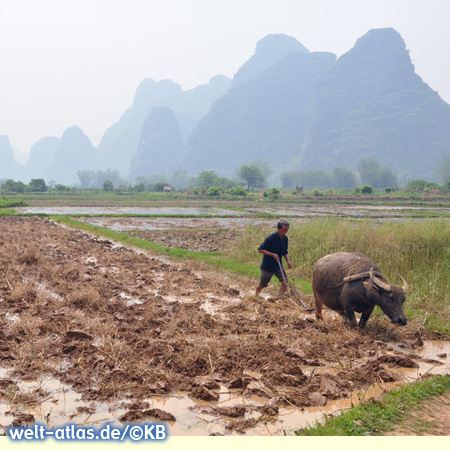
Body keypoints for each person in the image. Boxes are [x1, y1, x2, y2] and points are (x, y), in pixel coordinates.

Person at [255, 219, 293, 296]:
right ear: (277, 228)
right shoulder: (270, 238)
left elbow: (284, 252)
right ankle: (256, 296)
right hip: (267, 266)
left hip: (278, 265)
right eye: (283, 230)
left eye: (286, 230)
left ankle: (279, 298)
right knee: (263, 285)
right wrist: (272, 254)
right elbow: (260, 250)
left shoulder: (285, 239)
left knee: (285, 282)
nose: (284, 232)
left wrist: (288, 261)